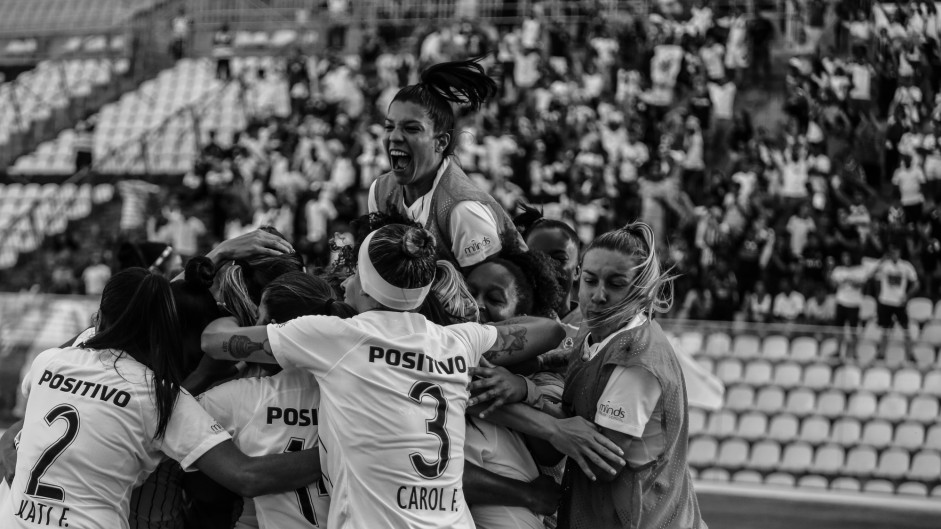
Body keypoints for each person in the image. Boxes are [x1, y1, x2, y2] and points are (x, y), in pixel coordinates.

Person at [200, 224, 567, 528]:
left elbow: (214, 343)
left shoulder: (333, 337)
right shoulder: (457, 340)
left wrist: (224, 301)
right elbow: (549, 331)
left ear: (364, 280)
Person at [0, 268, 321, 529]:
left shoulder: (50, 361)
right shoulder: (161, 396)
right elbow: (245, 476)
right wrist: (340, 451)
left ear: (101, 316)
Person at [476, 222, 705, 528]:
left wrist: (529, 398)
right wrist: (527, 388)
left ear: (640, 291)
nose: (598, 295)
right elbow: (575, 423)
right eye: (591, 280)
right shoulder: (592, 329)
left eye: (615, 283)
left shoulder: (635, 361)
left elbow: (597, 459)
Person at [196, 273, 358, 529]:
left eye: (257, 320)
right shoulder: (364, 387)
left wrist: (202, 375)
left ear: (268, 329)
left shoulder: (242, 397)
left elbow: (165, 419)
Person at [368, 58, 526, 269]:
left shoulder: (462, 210)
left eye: (412, 128)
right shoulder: (380, 191)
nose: (394, 137)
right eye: (389, 127)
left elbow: (490, 296)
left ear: (441, 142)